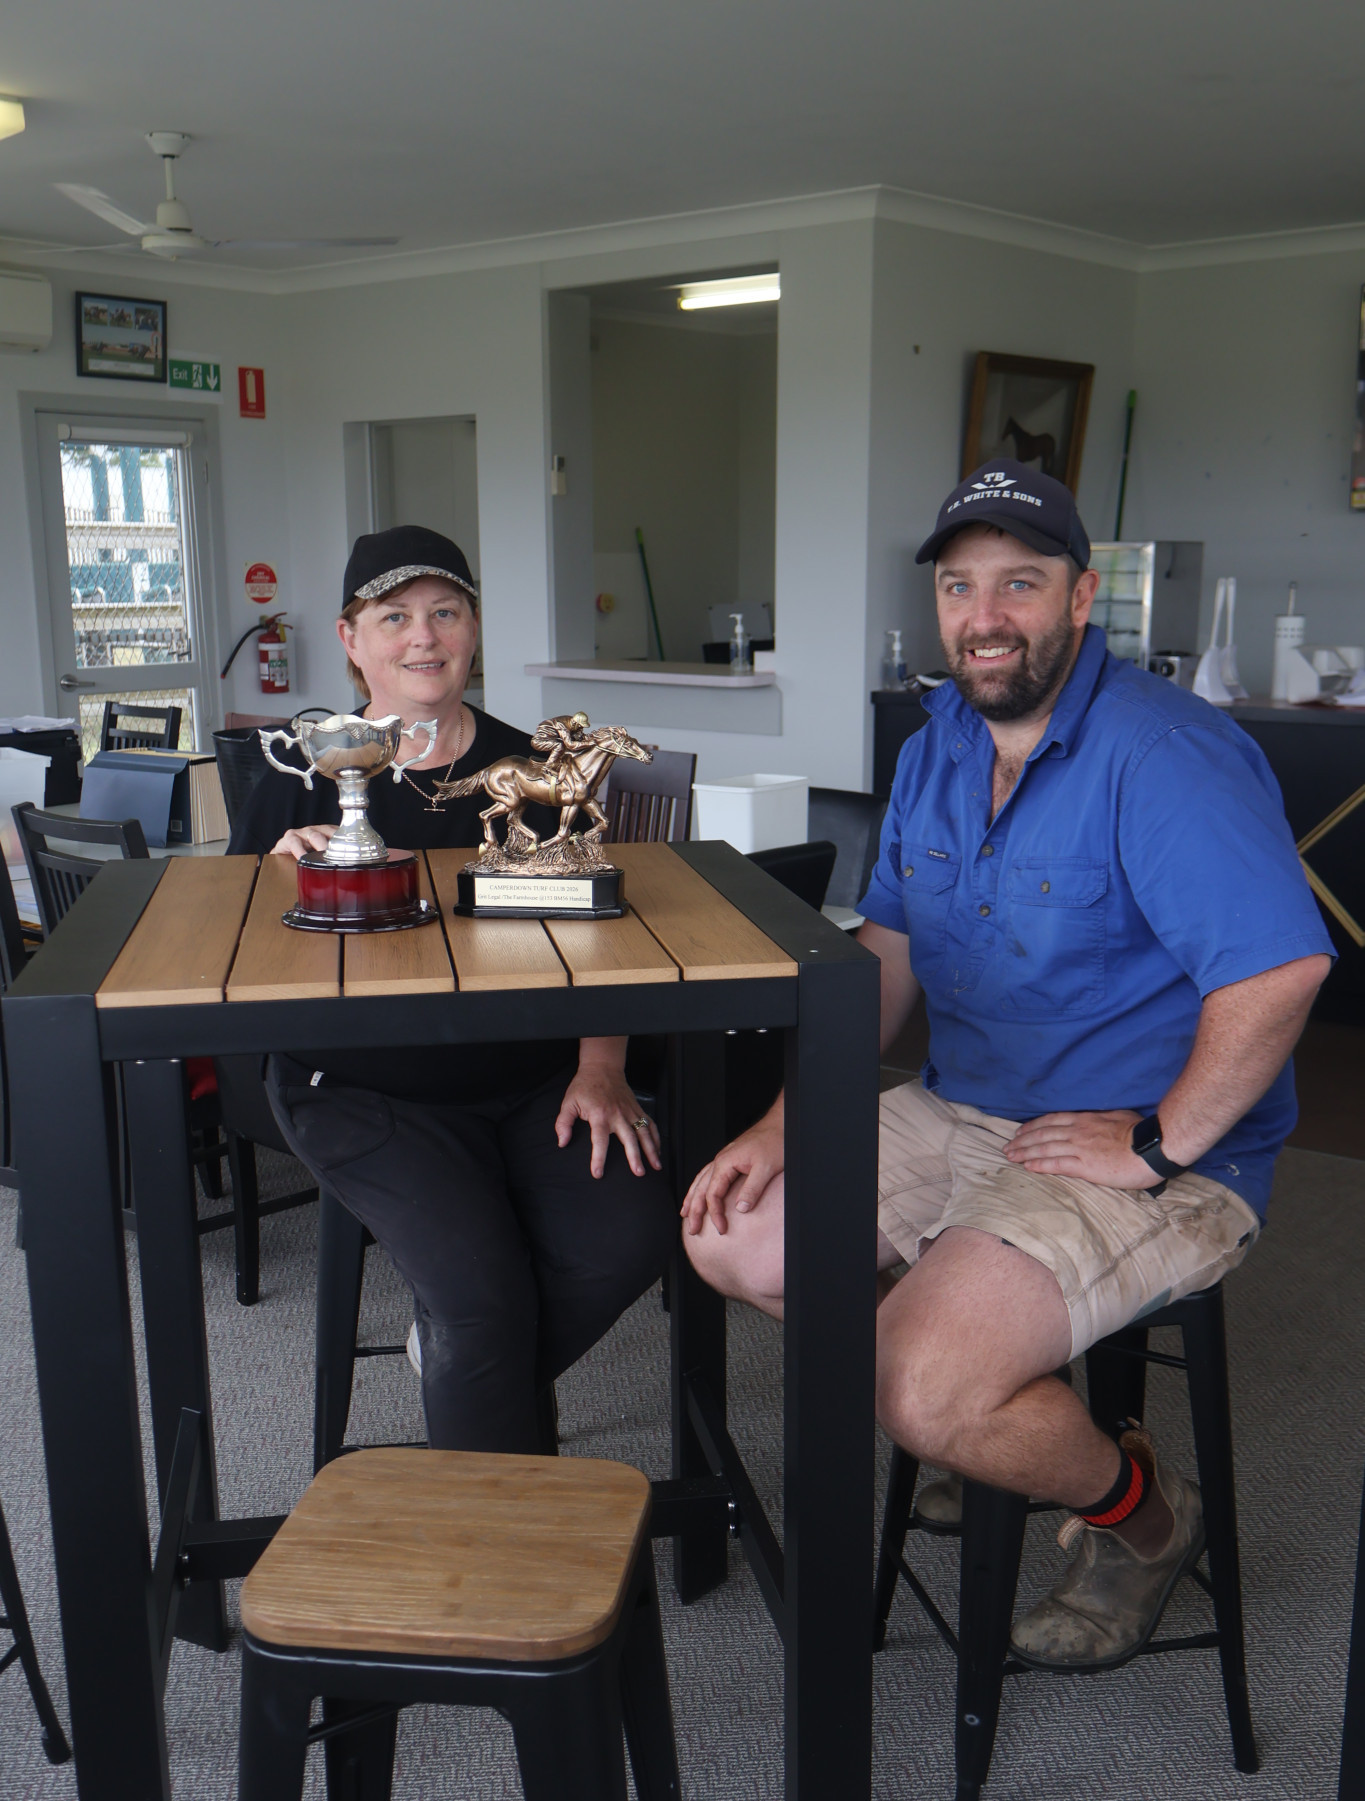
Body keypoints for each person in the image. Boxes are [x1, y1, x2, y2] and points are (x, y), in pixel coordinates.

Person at [681, 462, 1333, 1670]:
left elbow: (1281, 971)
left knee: (922, 1382)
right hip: (961, 1106)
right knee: (735, 1234)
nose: (985, 615)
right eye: (959, 585)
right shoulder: (938, 743)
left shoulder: (1166, 752)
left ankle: (1143, 1516)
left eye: (1020, 583)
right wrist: (784, 1123)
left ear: (1081, 597)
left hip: (1153, 1148)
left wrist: (1160, 1139)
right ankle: (978, 1412)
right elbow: (887, 953)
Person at [228, 523, 675, 1455]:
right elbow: (233, 954)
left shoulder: (536, 768)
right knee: (484, 1302)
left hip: (536, 1073)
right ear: (352, 640)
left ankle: (460, 1357)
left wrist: (601, 1066)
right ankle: (504, 1532)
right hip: (363, 1085)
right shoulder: (300, 771)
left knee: (631, 1236)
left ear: (473, 629)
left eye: (445, 612)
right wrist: (279, 874)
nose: (423, 637)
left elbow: (598, 938)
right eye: (394, 616)